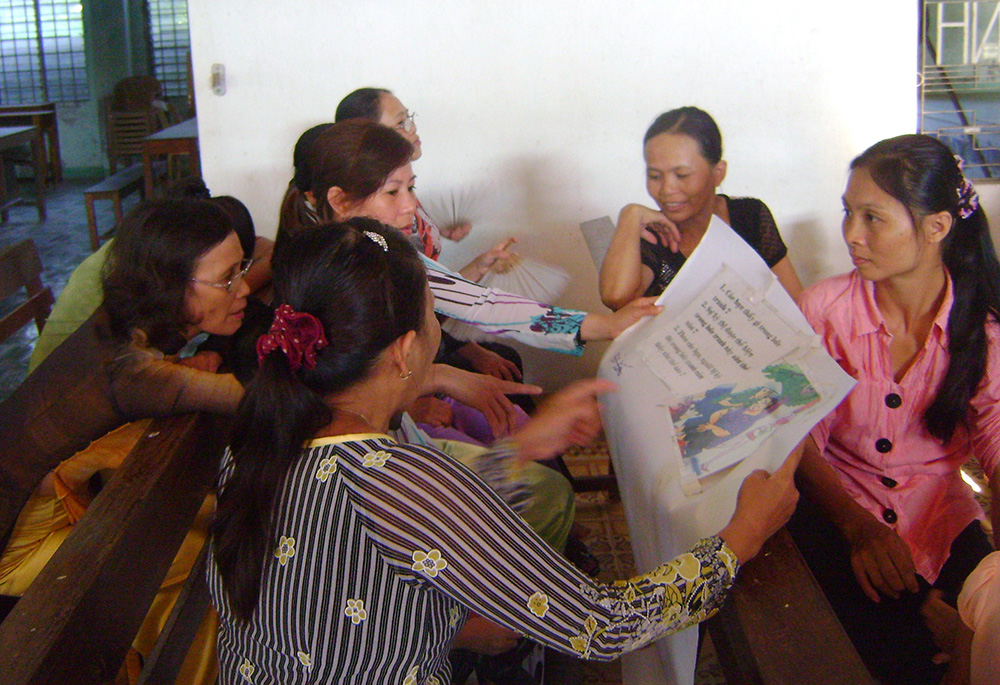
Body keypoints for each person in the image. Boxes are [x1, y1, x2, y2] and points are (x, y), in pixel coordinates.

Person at [207, 219, 801, 683]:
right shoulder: (407, 482)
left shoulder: (259, 439)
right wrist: (739, 539)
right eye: (434, 317)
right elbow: (600, 625)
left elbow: (346, 581)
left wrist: (520, 449)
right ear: (406, 350)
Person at [0, 198, 251, 683]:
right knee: (186, 562)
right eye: (227, 278)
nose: (242, 288)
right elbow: (244, 401)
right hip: (12, 550)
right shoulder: (132, 371)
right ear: (171, 286)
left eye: (242, 268)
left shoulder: (121, 326)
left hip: (59, 506)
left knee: (202, 535)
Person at [788, 134, 1000, 684]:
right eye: (848, 213)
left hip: (940, 517)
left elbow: (996, 441)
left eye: (872, 217)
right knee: (876, 652)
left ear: (936, 228)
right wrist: (858, 529)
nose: (852, 235)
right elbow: (800, 435)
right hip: (839, 506)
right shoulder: (824, 309)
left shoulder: (981, 326)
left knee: (979, 636)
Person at [600, 106, 803, 310]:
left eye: (682, 175)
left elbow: (796, 303)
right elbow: (615, 298)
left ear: (718, 173)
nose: (667, 189)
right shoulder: (653, 236)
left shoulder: (749, 215)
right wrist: (629, 214)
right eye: (654, 176)